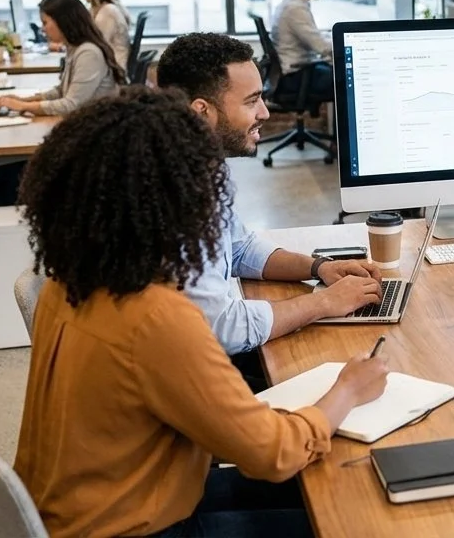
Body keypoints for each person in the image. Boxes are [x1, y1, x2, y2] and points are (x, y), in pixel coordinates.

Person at [13, 89, 390, 537]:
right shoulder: (155, 318)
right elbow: (273, 454)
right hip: (135, 525)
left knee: (338, 479)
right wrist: (347, 390)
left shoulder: (69, 284)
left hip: (92, 505)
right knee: (355, 509)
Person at [156, 33, 381, 386]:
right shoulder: (174, 196)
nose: (265, 112)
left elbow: (240, 247)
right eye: (252, 101)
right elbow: (220, 328)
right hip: (190, 377)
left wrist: (319, 267)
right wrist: (322, 304)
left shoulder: (203, 164)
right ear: (202, 111)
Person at [0, 0, 124, 116]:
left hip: (98, 130)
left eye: (45, 22)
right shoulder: (75, 48)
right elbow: (62, 91)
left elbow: (71, 105)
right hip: (87, 124)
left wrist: (24, 106)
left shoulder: (88, 53)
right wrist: (24, 100)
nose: (43, 29)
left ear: (62, 21)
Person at [270, 0, 334, 110]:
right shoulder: (295, 8)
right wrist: (348, 46)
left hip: (297, 71)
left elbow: (314, 37)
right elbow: (320, 46)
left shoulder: (292, 3)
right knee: (347, 78)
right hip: (297, 76)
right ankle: (343, 133)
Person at [78, 0, 131, 73]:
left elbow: (97, 45)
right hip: (104, 67)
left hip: (113, 71)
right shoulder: (95, 10)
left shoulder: (108, 12)